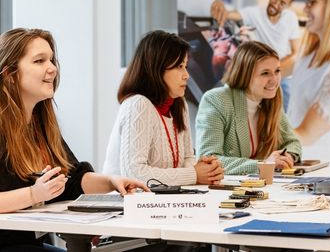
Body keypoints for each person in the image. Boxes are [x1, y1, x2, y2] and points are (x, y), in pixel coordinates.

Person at [0, 28, 148, 251]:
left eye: (51, 60)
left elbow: (71, 180)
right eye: (39, 61)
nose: (52, 69)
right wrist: (33, 194)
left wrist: (112, 182)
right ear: (9, 75)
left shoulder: (41, 126)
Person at [103, 30, 224, 186]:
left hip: (161, 201)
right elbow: (134, 173)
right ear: (156, 68)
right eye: (179, 66)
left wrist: (204, 171)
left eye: (186, 66)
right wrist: (194, 174)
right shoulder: (138, 104)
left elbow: (187, 158)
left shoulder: (179, 104)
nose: (186, 75)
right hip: (123, 204)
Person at [195, 41, 302, 175]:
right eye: (265, 73)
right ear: (244, 74)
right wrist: (263, 165)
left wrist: (287, 157)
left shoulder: (271, 99)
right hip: (227, 190)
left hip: (263, 186)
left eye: (277, 71)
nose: (274, 80)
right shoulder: (216, 100)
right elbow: (208, 160)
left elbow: (292, 142)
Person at [210, 0, 300, 109]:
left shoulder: (291, 19)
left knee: (284, 113)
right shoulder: (254, 12)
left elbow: (296, 53)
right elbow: (229, 14)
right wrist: (219, 4)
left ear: (288, 5)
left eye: (282, 3)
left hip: (282, 72)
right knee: (220, 92)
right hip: (257, 69)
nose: (275, 4)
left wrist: (272, 73)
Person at [286, 0, 330, 159]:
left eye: (312, 2)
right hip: (294, 159)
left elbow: (306, 135)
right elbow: (274, 69)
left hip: (317, 164)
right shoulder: (308, 52)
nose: (305, 8)